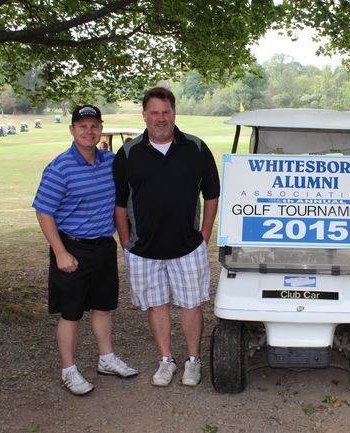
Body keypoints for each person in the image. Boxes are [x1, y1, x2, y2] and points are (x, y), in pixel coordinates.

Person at [113, 87, 220, 387]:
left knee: (191, 304)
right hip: (143, 248)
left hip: (188, 246)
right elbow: (119, 203)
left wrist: (205, 234)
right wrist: (126, 242)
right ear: (145, 115)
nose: (160, 118)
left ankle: (193, 361)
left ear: (174, 113)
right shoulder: (129, 153)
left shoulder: (196, 148)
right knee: (156, 304)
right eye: (154, 113)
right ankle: (166, 360)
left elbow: (212, 194)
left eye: (166, 112)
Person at [32, 104, 138, 396]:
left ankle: (106, 359)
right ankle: (68, 370)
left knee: (103, 307)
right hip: (71, 248)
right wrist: (60, 252)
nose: (89, 132)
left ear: (101, 129)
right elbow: (43, 212)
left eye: (94, 126)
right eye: (82, 127)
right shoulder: (60, 167)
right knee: (71, 313)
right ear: (72, 130)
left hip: (103, 246)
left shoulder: (110, 161)